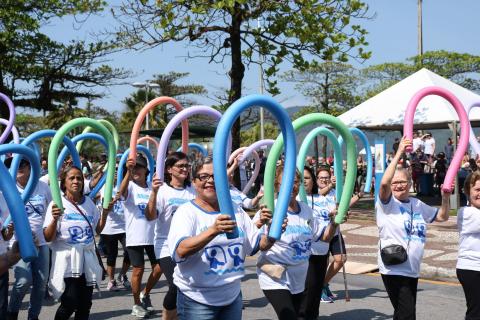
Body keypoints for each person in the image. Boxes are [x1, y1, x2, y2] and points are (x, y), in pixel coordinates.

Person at [167, 156, 280, 320]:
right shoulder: (186, 212)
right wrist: (213, 230)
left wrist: (273, 233)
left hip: (232, 297)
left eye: (215, 176)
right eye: (204, 176)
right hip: (197, 299)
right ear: (193, 182)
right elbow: (181, 250)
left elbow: (258, 244)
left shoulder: (236, 210)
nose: (210, 181)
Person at [377, 137, 451, 319]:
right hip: (393, 266)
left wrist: (445, 197)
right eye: (396, 183)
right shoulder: (387, 203)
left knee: (404, 314)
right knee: (407, 315)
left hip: (412, 268)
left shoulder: (417, 204)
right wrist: (400, 153)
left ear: (410, 184)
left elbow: (442, 216)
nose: (398, 185)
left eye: (402, 182)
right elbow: (384, 183)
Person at [255, 166, 334, 320]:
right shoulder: (270, 209)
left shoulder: (306, 210)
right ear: (277, 185)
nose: (291, 186)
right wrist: (267, 228)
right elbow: (257, 245)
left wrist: (335, 222)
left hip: (299, 278)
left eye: (295, 182)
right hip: (275, 277)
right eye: (285, 182)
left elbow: (323, 237)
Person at [43, 165, 113, 320]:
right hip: (67, 261)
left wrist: (105, 214)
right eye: (72, 178)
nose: (76, 181)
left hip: (87, 261)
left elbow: (97, 230)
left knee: (85, 304)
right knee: (69, 302)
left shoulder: (89, 203)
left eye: (79, 178)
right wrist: (55, 219)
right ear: (64, 183)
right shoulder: (56, 203)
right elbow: (48, 237)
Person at [147, 152, 196, 320]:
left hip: (188, 244)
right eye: (180, 166)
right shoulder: (162, 191)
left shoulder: (193, 190)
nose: (185, 169)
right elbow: (150, 216)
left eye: (187, 166)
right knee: (176, 285)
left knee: (189, 285)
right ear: (169, 169)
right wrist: (153, 193)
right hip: (166, 246)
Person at [5, 158, 52, 320]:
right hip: (18, 244)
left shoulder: (43, 186)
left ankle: (33, 316)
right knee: (23, 280)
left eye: (22, 164)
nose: (18, 167)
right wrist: (8, 229)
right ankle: (12, 312)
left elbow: (53, 209)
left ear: (30, 167)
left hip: (42, 242)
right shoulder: (7, 189)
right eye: (13, 165)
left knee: (41, 284)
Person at [298, 166, 345, 320]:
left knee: (314, 295)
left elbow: (327, 229)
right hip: (302, 253)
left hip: (321, 249)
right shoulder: (295, 199)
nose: (304, 181)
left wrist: (336, 218)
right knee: (304, 294)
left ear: (313, 181)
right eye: (301, 178)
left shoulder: (320, 198)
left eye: (307, 178)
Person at [117, 154, 160, 318]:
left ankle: (145, 293)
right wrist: (127, 171)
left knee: (160, 267)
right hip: (135, 235)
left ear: (145, 170)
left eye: (139, 167)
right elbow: (121, 192)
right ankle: (136, 304)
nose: (136, 170)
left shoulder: (151, 187)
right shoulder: (130, 187)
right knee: (138, 270)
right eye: (134, 167)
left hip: (153, 235)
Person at [316, 165, 362, 303]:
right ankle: (317, 289)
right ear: (316, 179)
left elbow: (344, 204)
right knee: (321, 263)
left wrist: (359, 196)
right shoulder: (313, 193)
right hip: (320, 233)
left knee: (341, 259)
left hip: (334, 230)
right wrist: (330, 185)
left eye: (326, 177)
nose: (324, 180)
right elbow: (321, 193)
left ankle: (323, 284)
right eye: (321, 178)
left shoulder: (334, 192)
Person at [457, 171, 480, 320]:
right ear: (467, 191)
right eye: (477, 190)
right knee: (476, 312)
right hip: (471, 268)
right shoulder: (466, 213)